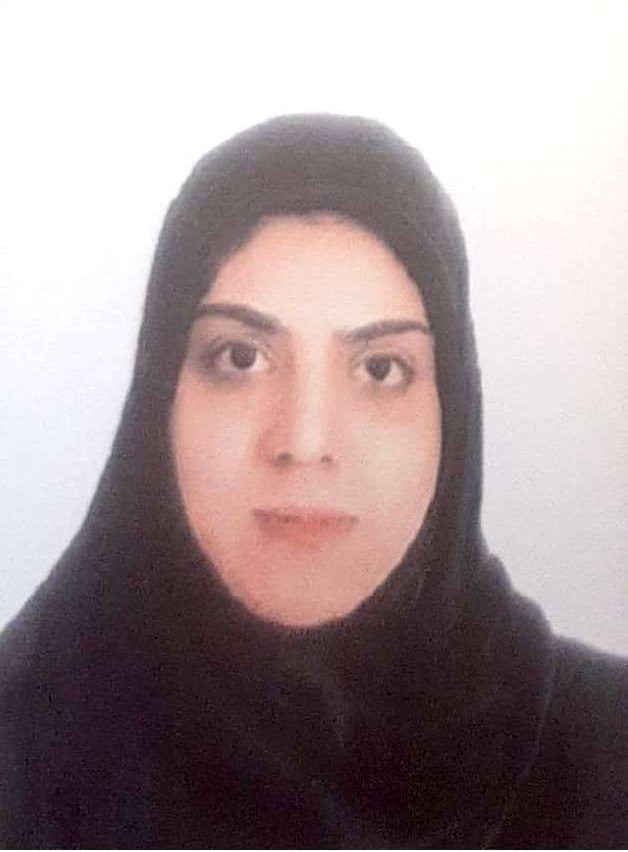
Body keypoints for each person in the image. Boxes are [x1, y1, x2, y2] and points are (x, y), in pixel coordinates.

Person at [0, 114, 626, 849]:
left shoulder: (602, 748)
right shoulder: (24, 737)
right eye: (240, 358)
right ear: (158, 393)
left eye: (380, 369)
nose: (304, 443)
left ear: (454, 413)